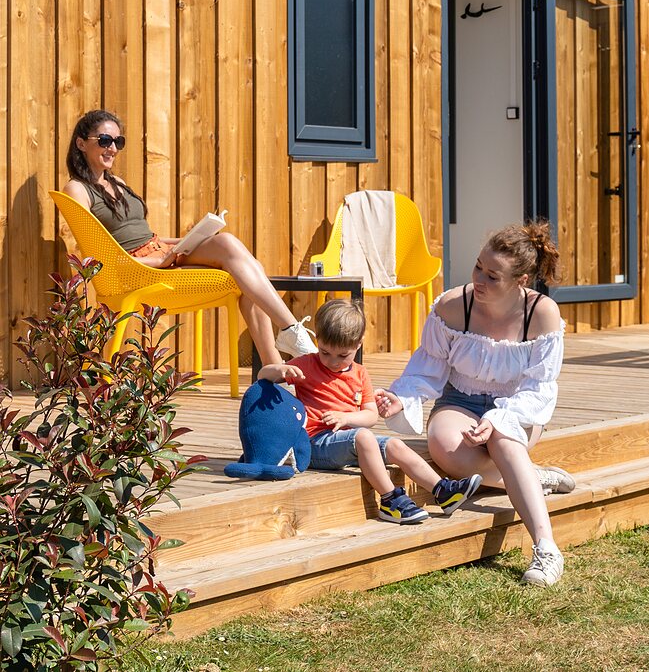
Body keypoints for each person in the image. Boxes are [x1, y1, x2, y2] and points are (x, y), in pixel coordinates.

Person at [374, 221, 575, 586]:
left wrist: (501, 417)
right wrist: (401, 399)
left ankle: (546, 548)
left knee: (502, 438)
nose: (479, 279)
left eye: (493, 276)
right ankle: (530, 477)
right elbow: (427, 368)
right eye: (478, 266)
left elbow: (540, 387)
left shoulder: (542, 313)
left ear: (522, 282)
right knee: (445, 447)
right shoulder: (453, 306)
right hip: (460, 401)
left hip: (519, 406)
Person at [63, 108, 317, 367]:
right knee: (245, 272)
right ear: (82, 143)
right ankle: (285, 342)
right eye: (105, 140)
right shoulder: (77, 189)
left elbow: (147, 236)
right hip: (137, 270)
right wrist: (156, 263)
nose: (113, 148)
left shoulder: (116, 181)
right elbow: (100, 254)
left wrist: (188, 239)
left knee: (231, 248)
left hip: (159, 252)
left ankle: (280, 357)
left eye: (118, 142)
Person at [260, 298, 482, 523]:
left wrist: (345, 417)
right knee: (364, 437)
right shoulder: (307, 364)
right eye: (325, 352)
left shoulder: (360, 373)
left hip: (347, 442)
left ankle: (442, 491)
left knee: (394, 444)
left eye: (342, 355)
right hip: (315, 443)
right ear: (317, 341)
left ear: (358, 344)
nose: (332, 361)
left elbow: (370, 415)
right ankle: (390, 500)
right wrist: (279, 369)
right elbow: (264, 376)